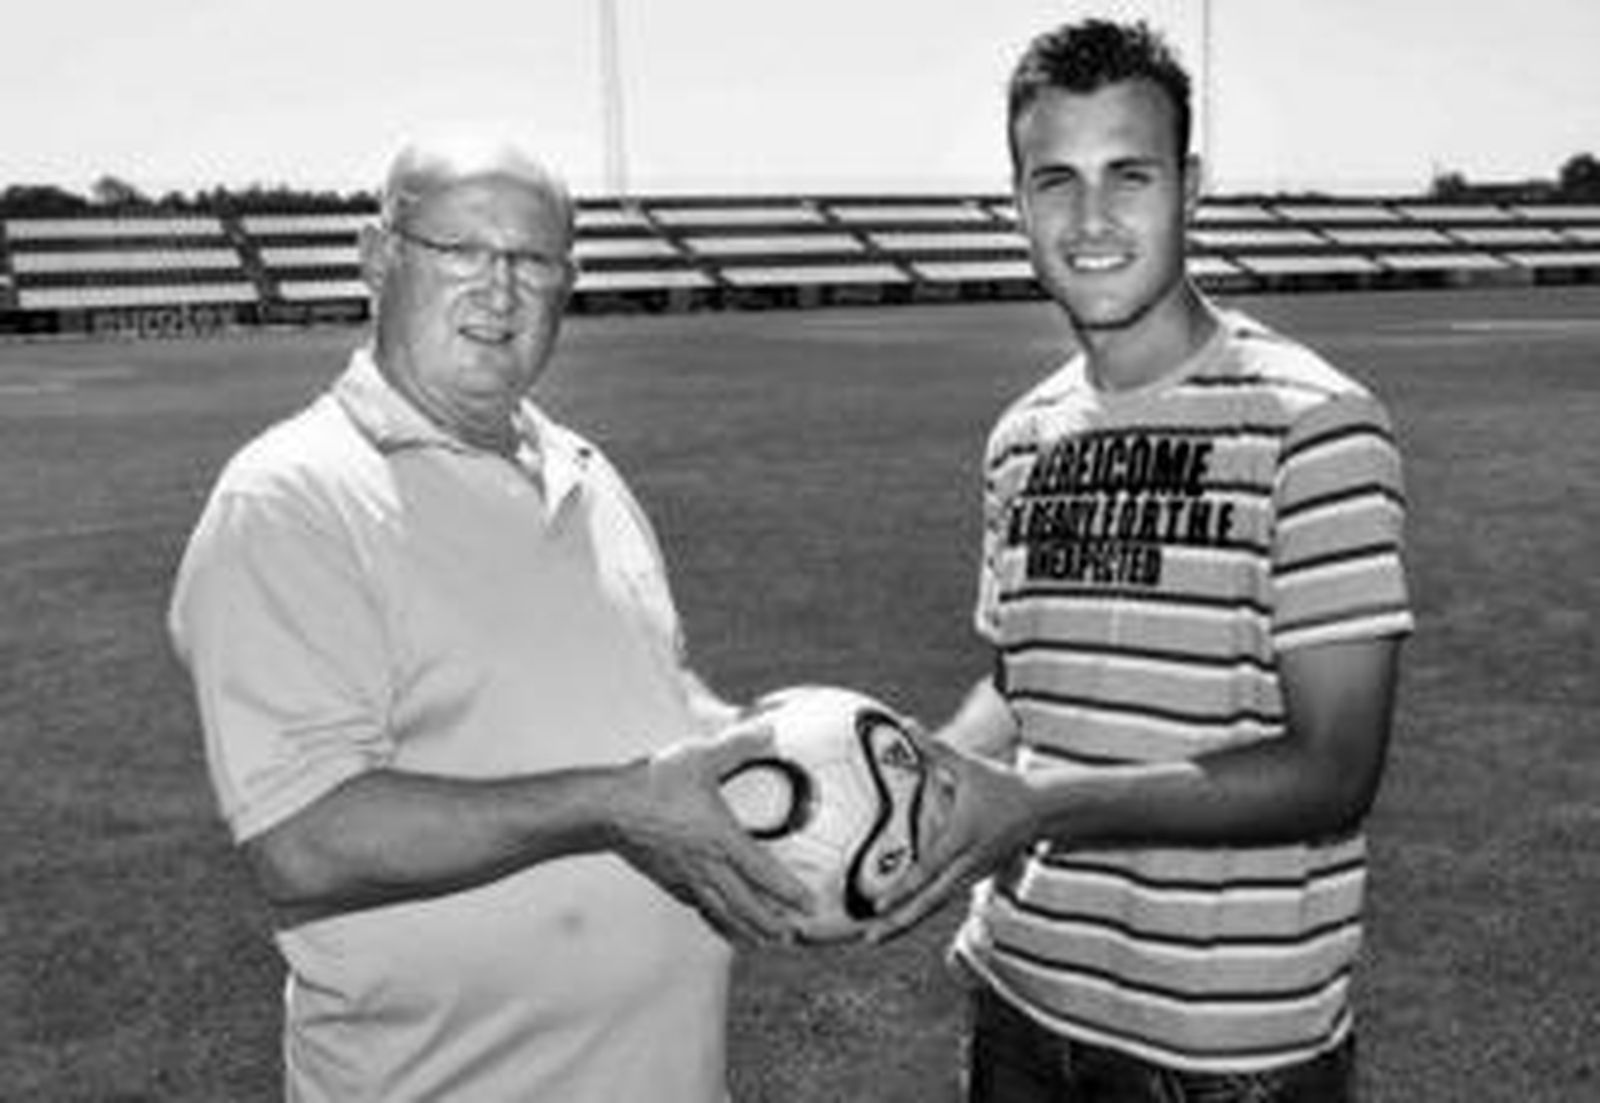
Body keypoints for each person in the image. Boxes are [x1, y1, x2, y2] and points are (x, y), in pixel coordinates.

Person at [167, 131, 815, 1101]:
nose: (499, 289)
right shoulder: (292, 497)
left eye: (532, 259)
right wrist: (613, 802)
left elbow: (646, 692)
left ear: (568, 282)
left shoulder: (586, 472)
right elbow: (303, 839)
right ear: (377, 257)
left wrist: (770, 741)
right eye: (461, 249)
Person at [871, 19, 1414, 1102]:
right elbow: (1021, 682)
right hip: (1019, 1000)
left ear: (1189, 188)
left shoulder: (1315, 423)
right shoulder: (1021, 437)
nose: (1091, 219)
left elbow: (1333, 768)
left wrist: (1038, 807)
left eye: (1130, 174)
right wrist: (910, 785)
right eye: (1055, 180)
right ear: (1017, 201)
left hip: (1223, 1054)